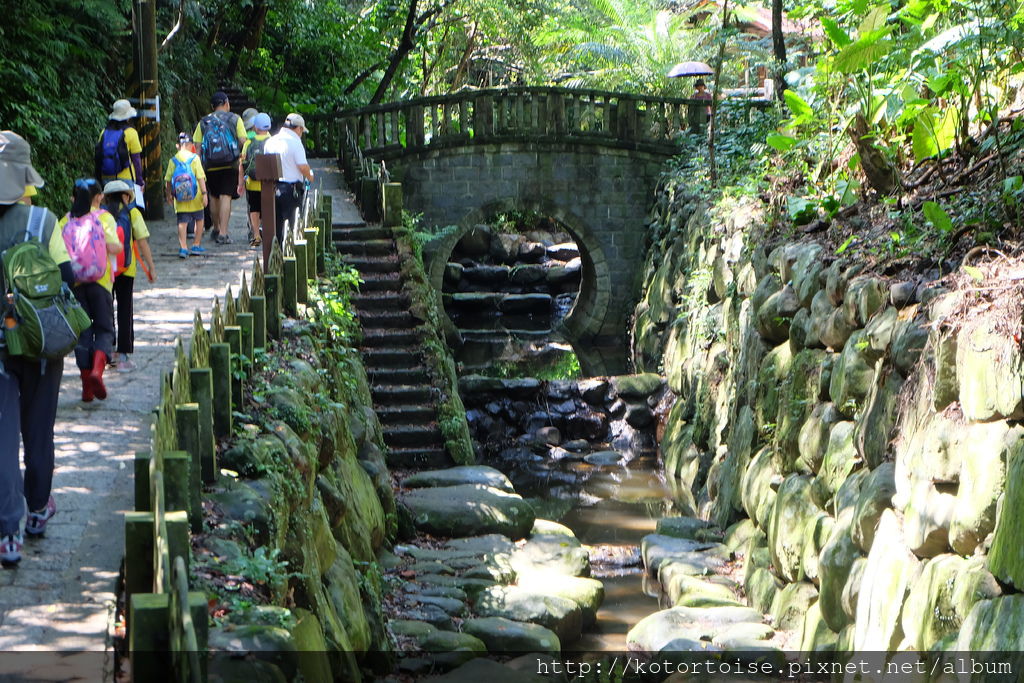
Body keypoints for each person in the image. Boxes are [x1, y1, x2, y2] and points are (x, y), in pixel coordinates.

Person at [0, 131, 73, 565]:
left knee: (4, 436)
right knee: (38, 430)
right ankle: (39, 509)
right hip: (42, 344)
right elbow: (67, 281)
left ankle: (8, 534)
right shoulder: (45, 222)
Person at [59, 179, 122, 403]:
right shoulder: (103, 218)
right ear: (99, 197)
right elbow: (116, 247)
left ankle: (86, 388)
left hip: (75, 286)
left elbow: (58, 253)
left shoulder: (64, 221)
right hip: (101, 282)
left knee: (83, 334)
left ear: (72, 198)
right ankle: (97, 371)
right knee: (105, 330)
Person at [102, 180, 156, 372]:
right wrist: (150, 267)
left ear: (106, 197)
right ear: (126, 196)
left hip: (104, 270)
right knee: (125, 310)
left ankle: (107, 351)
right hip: (126, 269)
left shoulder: (101, 215)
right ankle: (123, 355)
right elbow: (142, 243)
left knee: (106, 309)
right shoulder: (132, 213)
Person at [192, 91, 245, 245]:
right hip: (230, 164)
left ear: (212, 106)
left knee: (214, 196)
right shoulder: (235, 119)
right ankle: (223, 233)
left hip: (209, 165)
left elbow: (197, 146)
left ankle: (216, 229)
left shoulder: (204, 121)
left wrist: (200, 166)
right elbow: (242, 140)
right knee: (225, 196)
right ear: (226, 103)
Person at [264, 113, 315, 247]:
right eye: (302, 131)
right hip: (290, 190)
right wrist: (310, 176)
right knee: (291, 225)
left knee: (276, 225)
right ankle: (288, 256)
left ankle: (275, 255)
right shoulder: (295, 143)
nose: (301, 134)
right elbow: (302, 166)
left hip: (271, 188)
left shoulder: (271, 141)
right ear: (298, 129)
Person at [165, 132, 209, 258]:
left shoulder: (173, 160)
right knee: (199, 220)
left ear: (178, 146)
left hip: (180, 198)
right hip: (196, 196)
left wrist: (168, 194)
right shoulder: (195, 159)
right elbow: (200, 178)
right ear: (190, 145)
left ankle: (183, 247)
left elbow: (168, 180)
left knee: (182, 222)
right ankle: (196, 244)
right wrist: (205, 194)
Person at [237, 113, 272, 249]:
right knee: (268, 209)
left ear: (255, 128)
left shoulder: (248, 143)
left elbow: (242, 164)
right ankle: (268, 233)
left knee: (254, 209)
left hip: (252, 183)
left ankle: (256, 234)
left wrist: (240, 184)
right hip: (268, 183)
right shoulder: (273, 141)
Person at [95, 99, 144, 188]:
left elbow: (99, 155)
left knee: (109, 202)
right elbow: (136, 160)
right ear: (128, 117)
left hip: (106, 179)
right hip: (126, 179)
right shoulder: (131, 132)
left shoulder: (104, 132)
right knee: (128, 202)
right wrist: (140, 182)